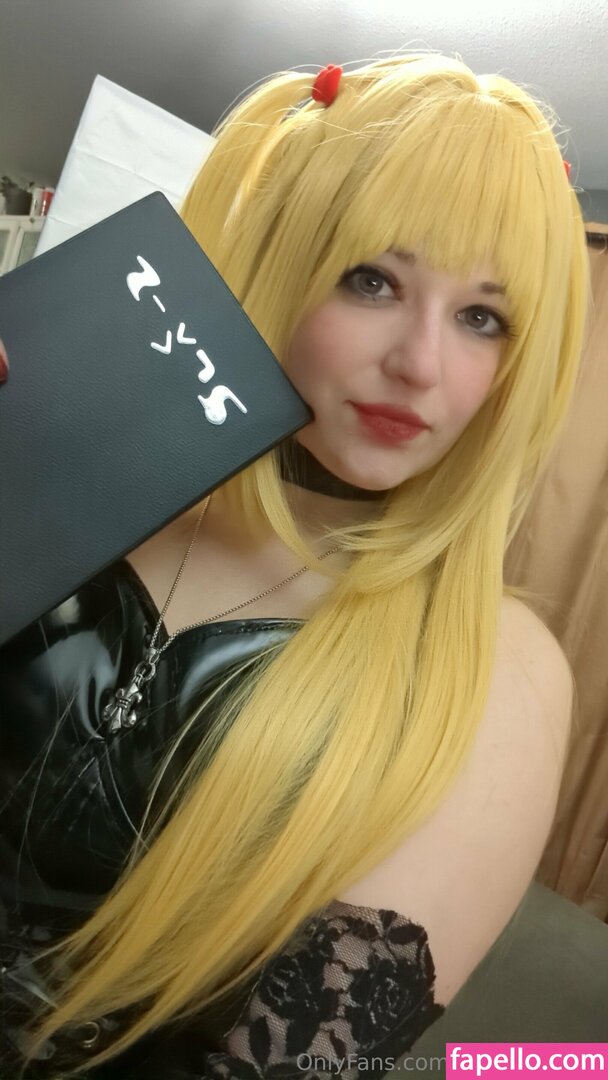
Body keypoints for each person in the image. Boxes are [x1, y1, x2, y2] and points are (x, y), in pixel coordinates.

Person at [0, 51, 589, 1079]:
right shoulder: (77, 469)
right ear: (278, 260)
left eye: (481, 318)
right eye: (372, 280)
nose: (419, 363)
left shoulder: (496, 673)